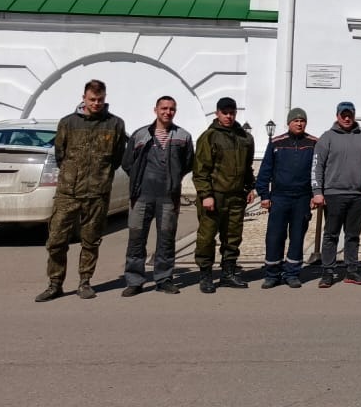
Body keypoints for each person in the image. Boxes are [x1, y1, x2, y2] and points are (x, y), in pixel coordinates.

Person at [35, 79, 127, 302]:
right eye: (92, 99)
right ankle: (55, 284)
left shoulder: (115, 124)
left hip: (97, 193)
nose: (96, 103)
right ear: (83, 98)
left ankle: (85, 282)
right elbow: (60, 154)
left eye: (100, 99)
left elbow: (116, 158)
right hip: (68, 193)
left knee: (91, 241)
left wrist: (100, 178)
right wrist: (72, 176)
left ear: (105, 99)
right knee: (56, 241)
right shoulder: (68, 123)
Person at [119, 96, 194, 297]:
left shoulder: (183, 136)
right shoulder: (140, 135)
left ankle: (164, 279)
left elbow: (188, 163)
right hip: (141, 196)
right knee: (136, 239)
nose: (167, 112)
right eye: (164, 108)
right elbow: (127, 163)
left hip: (168, 197)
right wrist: (139, 179)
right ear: (156, 110)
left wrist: (174, 178)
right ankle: (134, 281)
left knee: (166, 239)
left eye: (171, 109)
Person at [191, 97, 255, 293]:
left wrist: (249, 188)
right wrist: (206, 195)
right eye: (225, 113)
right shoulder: (209, 137)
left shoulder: (245, 137)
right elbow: (200, 170)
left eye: (232, 113)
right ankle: (205, 275)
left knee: (232, 237)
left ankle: (228, 273)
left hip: (236, 196)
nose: (229, 116)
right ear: (217, 113)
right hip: (214, 195)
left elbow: (247, 167)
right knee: (207, 237)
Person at [312, 101, 361, 287]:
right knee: (331, 235)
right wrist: (317, 191)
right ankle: (328, 272)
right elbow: (317, 166)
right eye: (343, 115)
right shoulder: (327, 138)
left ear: (354, 115)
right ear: (337, 116)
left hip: (356, 195)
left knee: (353, 235)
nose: (347, 118)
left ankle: (351, 270)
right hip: (333, 194)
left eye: (350, 115)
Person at [256, 108, 317, 289]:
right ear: (289, 123)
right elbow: (265, 170)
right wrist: (264, 195)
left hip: (302, 198)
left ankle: (292, 273)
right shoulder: (276, 143)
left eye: (302, 120)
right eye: (295, 120)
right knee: (275, 236)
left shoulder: (313, 143)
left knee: (297, 237)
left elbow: (318, 171)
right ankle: (272, 274)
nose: (299, 123)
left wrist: (315, 194)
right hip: (280, 197)